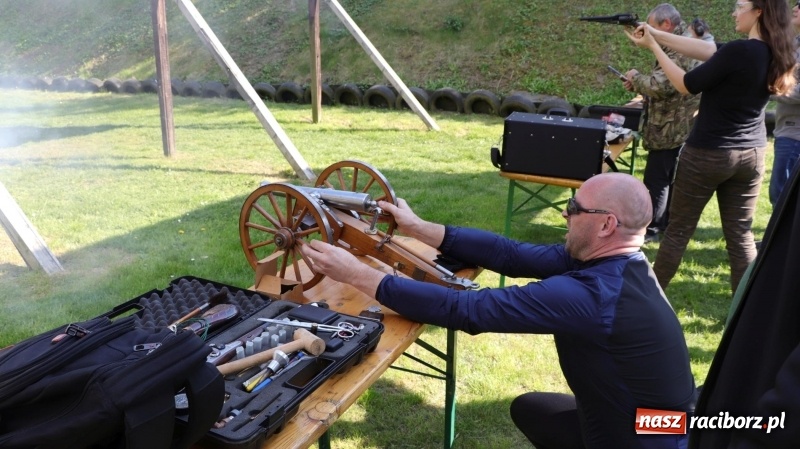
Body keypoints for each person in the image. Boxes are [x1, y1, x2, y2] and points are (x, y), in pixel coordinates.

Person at [300, 172, 697, 449]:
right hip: (657, 420)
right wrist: (416, 227)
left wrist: (356, 274)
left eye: (574, 207)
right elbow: (509, 253)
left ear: (607, 224)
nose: (565, 213)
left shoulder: (592, 295)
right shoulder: (616, 263)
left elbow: (469, 309)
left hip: (647, 436)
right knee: (532, 410)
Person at [625, 0, 796, 293]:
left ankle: (646, 303)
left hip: (709, 153)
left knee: (677, 232)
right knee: (741, 236)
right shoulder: (775, 51)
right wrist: (655, 34)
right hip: (751, 155)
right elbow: (706, 50)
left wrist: (654, 48)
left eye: (740, 6)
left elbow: (684, 83)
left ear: (758, 11)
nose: (734, 11)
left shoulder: (738, 51)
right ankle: (745, 312)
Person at [623, 4, 701, 244]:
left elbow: (662, 87)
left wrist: (636, 78)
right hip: (675, 123)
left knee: (657, 178)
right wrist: (638, 84)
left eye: (653, 27)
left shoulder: (679, 50)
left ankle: (654, 227)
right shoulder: (681, 45)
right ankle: (662, 222)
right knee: (664, 176)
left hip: (671, 126)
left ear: (667, 25)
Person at [769, 1, 800, 207]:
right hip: (785, 130)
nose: (795, 8)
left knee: (782, 194)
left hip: (795, 134)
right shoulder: (794, 42)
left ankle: (783, 239)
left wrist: (771, 89)